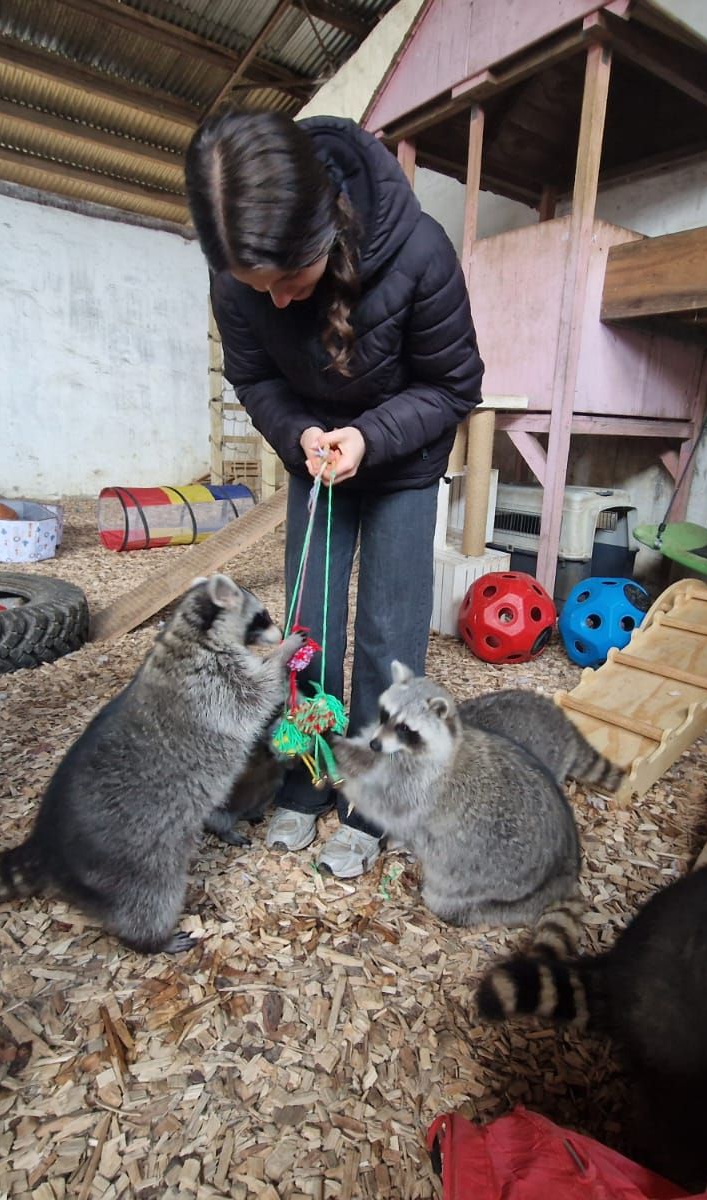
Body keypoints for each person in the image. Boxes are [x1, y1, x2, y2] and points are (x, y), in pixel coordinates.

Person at [184, 110, 484, 877]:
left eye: (288, 281)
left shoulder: (419, 251)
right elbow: (251, 377)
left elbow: (456, 384)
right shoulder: (238, 279)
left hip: (403, 464)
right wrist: (301, 435)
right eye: (257, 288)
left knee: (390, 636)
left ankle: (371, 802)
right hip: (315, 460)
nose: (276, 303)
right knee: (305, 634)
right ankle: (307, 780)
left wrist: (370, 438)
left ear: (328, 228)